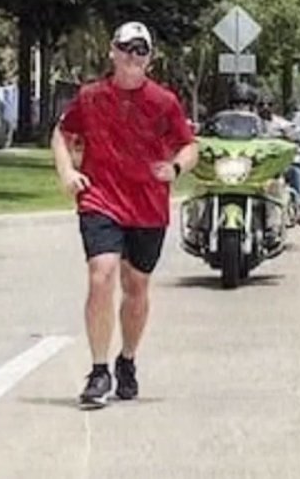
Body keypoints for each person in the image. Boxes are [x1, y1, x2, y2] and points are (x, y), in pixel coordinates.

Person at [51, 21, 199, 409]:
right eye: (126, 49)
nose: (132, 57)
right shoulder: (91, 97)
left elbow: (188, 146)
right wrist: (67, 172)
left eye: (141, 51)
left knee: (136, 287)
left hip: (148, 206)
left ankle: (127, 360)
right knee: (101, 275)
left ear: (150, 60)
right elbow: (62, 134)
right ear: (112, 52)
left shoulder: (164, 102)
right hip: (101, 199)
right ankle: (99, 371)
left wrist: (176, 169)